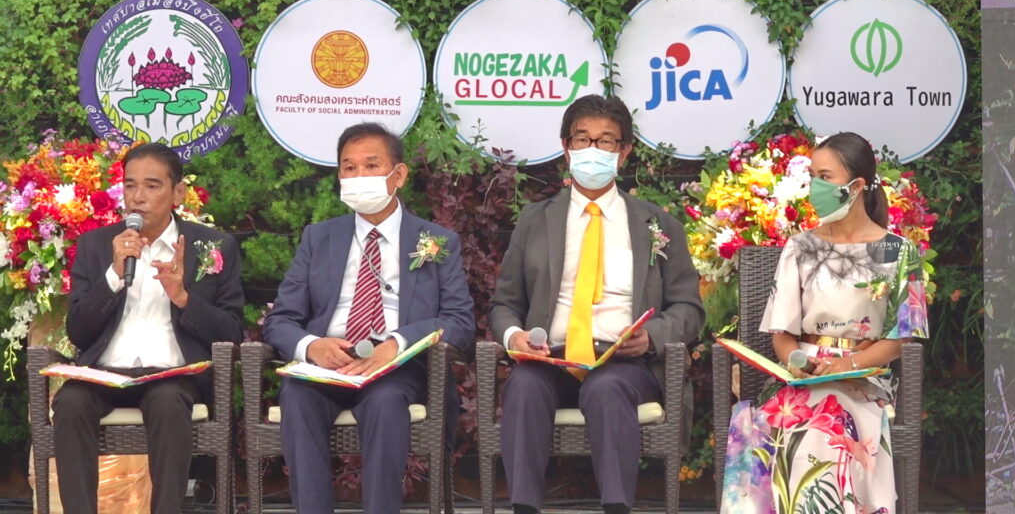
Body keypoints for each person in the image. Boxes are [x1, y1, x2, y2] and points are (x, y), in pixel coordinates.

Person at [490, 94, 705, 514]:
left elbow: (690, 309)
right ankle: (523, 507)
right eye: (582, 139)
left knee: (607, 387)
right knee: (524, 386)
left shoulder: (658, 224)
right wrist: (514, 336)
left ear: (623, 152)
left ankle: (616, 507)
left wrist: (650, 337)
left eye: (605, 141)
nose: (593, 149)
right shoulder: (535, 221)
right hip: (550, 358)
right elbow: (504, 303)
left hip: (623, 362)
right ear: (566, 147)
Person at [261, 122, 475, 514]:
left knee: (385, 401)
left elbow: (459, 322)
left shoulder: (437, 241)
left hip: (396, 371)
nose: (359, 176)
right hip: (327, 367)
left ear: (399, 175)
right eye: (349, 168)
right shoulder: (318, 238)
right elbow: (280, 320)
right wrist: (312, 346)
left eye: (371, 166)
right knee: (297, 395)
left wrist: (397, 344)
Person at [719, 132, 929, 514]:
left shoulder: (899, 251)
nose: (815, 186)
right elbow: (783, 334)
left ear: (858, 186)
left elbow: (902, 338)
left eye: (825, 177)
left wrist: (848, 365)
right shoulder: (800, 247)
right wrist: (798, 361)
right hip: (800, 377)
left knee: (826, 420)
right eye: (812, 175)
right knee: (781, 419)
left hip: (864, 378)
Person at [53, 142, 245, 514]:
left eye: (152, 186)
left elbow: (232, 333)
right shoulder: (96, 245)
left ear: (178, 193)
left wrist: (183, 297)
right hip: (105, 373)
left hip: (172, 375)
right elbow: (78, 331)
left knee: (167, 401)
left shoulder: (212, 246)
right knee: (71, 401)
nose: (137, 197)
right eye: (130, 185)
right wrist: (113, 275)